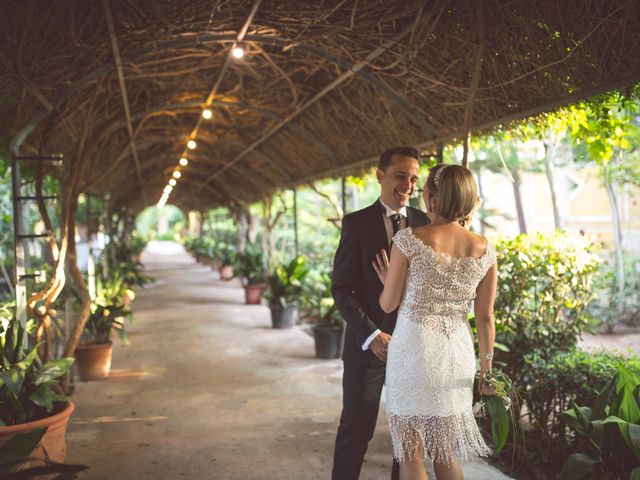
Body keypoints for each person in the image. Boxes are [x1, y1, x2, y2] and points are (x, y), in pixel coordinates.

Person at [373, 164, 498, 480]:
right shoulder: (485, 248)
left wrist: (392, 281)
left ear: (432, 196)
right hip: (457, 353)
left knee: (411, 455)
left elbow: (388, 304)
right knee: (445, 453)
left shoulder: (409, 239)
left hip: (414, 349)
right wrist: (487, 369)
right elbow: (485, 316)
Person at [331, 147, 429, 480]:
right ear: (380, 175)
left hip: (412, 346)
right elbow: (342, 289)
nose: (408, 184)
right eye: (401, 175)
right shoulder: (356, 223)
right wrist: (371, 334)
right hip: (367, 347)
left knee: (408, 442)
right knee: (356, 432)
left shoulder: (425, 223)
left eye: (414, 178)